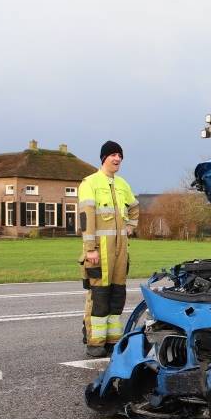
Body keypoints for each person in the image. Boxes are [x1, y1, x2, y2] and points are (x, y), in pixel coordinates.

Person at [78, 140, 139, 358]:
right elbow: (86, 219)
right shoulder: (90, 183)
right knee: (99, 294)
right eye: (113, 155)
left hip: (121, 249)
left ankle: (113, 340)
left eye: (120, 156)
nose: (117, 159)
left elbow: (134, 207)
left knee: (117, 294)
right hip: (99, 250)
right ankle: (95, 341)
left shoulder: (122, 184)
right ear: (104, 158)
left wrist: (131, 226)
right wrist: (90, 249)